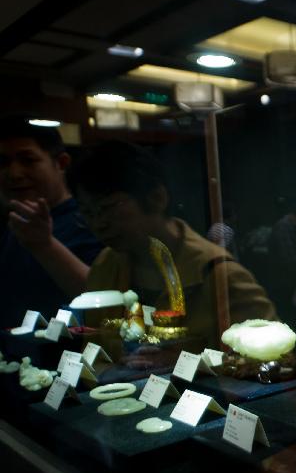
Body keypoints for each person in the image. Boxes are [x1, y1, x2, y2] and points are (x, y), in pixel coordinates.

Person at [66, 141, 276, 349]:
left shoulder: (220, 275)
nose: (98, 224)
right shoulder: (106, 265)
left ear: (157, 198)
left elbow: (273, 356)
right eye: (88, 212)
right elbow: (95, 352)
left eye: (109, 207)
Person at [0, 115, 103, 327]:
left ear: (61, 163)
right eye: (3, 162)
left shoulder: (91, 220)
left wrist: (44, 246)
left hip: (73, 358)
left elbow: (104, 300)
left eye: (28, 160)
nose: (14, 173)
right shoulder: (15, 224)